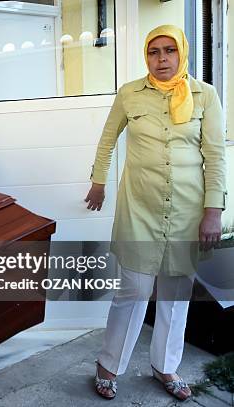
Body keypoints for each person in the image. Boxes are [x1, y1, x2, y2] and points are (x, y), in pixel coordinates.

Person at [85, 25, 226, 401]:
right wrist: (98, 183)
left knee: (176, 295)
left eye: (169, 51)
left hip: (187, 211)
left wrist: (213, 210)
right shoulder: (129, 94)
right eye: (153, 52)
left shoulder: (205, 96)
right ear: (146, 56)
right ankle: (108, 366)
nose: (162, 60)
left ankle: (165, 366)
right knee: (132, 291)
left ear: (182, 53)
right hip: (140, 211)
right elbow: (107, 140)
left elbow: (215, 156)